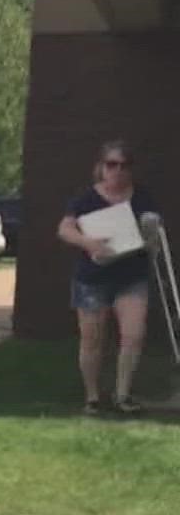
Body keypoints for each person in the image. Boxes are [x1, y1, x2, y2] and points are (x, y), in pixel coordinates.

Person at [57, 140, 162, 416]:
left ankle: (123, 394)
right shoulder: (86, 199)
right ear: (101, 168)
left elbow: (152, 231)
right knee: (92, 338)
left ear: (131, 169)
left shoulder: (141, 197)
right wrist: (87, 242)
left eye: (123, 165)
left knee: (133, 334)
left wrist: (152, 237)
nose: (117, 170)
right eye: (111, 164)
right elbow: (65, 229)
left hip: (131, 276)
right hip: (92, 278)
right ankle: (92, 397)